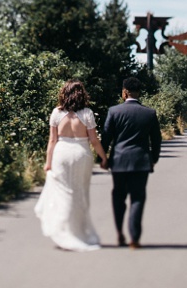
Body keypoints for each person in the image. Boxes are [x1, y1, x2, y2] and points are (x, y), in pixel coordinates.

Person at [34, 79, 108, 251]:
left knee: (64, 193)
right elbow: (94, 140)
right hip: (82, 153)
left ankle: (65, 231)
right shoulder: (87, 113)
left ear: (64, 93)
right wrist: (103, 157)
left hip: (61, 153)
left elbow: (52, 140)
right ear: (82, 94)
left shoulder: (56, 113)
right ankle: (79, 232)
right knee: (80, 192)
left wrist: (48, 162)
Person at [102, 76, 162, 249]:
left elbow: (106, 136)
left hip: (119, 161)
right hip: (140, 162)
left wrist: (103, 158)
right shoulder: (149, 113)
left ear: (124, 92)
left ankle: (119, 232)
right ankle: (134, 238)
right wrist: (154, 158)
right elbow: (156, 140)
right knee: (137, 198)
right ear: (138, 92)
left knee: (118, 197)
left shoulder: (114, 112)